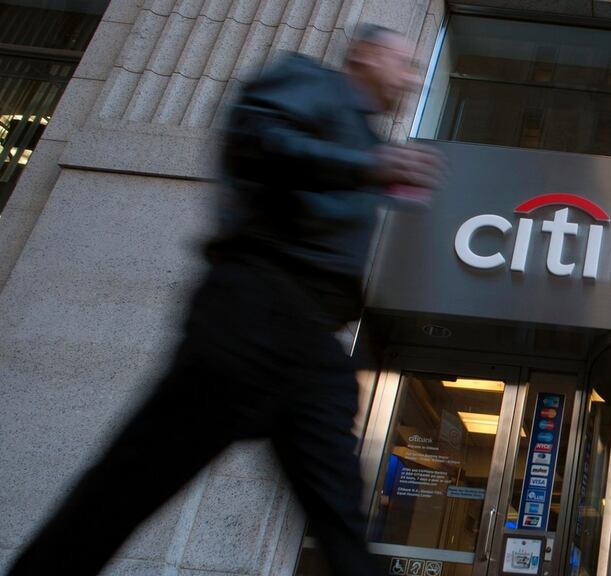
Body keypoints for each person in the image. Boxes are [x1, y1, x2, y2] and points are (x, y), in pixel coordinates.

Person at [7, 24, 443, 576]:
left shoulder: (365, 138)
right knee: (126, 490)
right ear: (366, 54)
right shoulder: (308, 82)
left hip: (311, 341)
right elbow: (256, 141)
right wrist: (367, 168)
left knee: (340, 518)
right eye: (403, 64)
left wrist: (377, 167)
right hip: (254, 313)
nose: (410, 79)